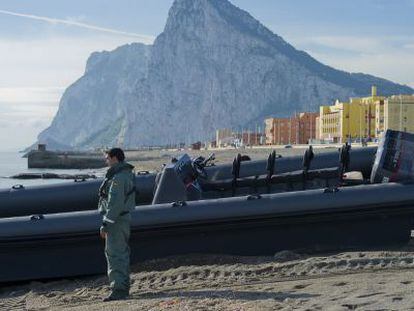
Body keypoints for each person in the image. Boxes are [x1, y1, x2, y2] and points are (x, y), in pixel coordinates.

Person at [98, 148, 135, 301]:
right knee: (122, 254)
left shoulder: (118, 178)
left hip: (116, 221)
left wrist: (106, 223)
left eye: (107, 158)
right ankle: (123, 287)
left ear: (114, 158)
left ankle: (119, 290)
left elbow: (115, 203)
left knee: (115, 255)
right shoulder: (126, 174)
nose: (106, 161)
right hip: (123, 219)